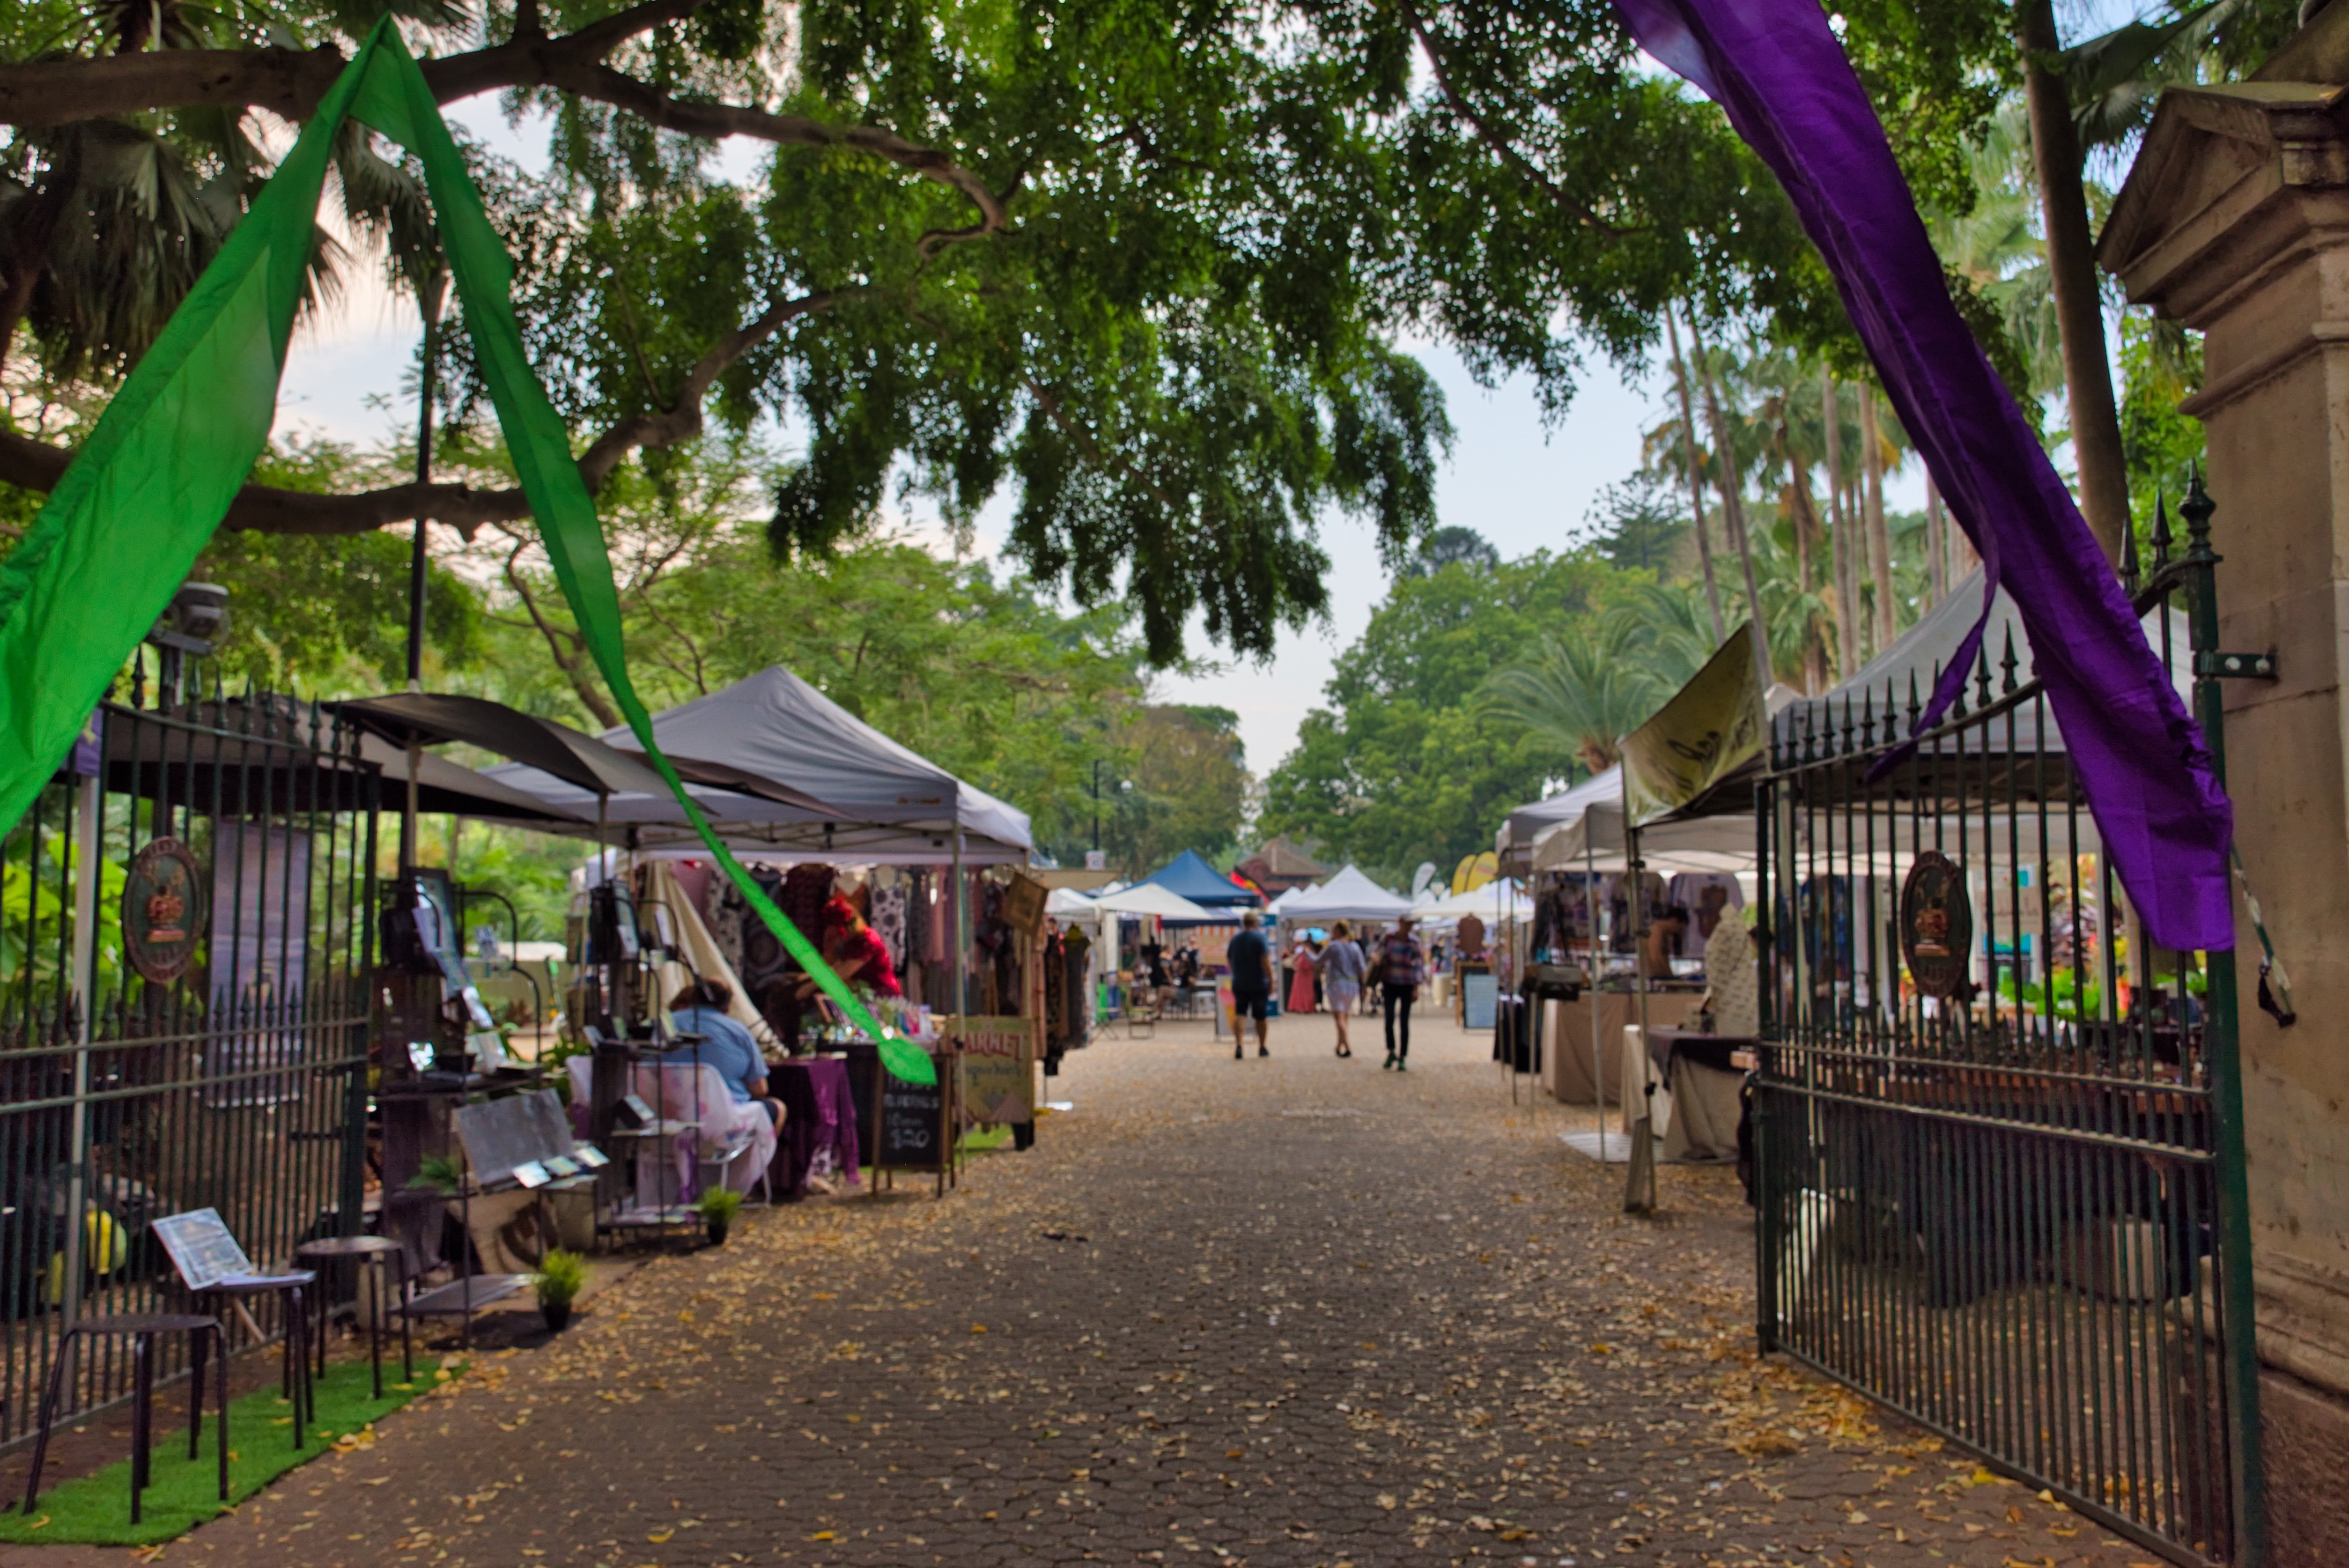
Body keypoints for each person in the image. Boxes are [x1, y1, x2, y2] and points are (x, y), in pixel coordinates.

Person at [668, 979, 784, 1131]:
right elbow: (760, 1089)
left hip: (665, 1115)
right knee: (779, 1108)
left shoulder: (663, 1024)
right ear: (727, 1007)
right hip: (722, 1124)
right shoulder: (739, 1031)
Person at [1377, 915, 1426, 1071]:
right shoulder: (1389, 938)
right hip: (1390, 983)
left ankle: (1403, 1056)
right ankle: (1391, 1050)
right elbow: (1377, 952)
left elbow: (1419, 965)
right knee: (1389, 1019)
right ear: (1400, 923)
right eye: (1406, 924)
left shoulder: (1414, 942)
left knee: (1404, 1022)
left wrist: (1416, 987)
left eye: (1410, 924)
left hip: (1407, 984)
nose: (1408, 927)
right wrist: (1377, 959)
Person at [1225, 910, 1275, 1059]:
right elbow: (1265, 961)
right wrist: (1271, 980)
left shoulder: (1235, 939)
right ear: (1255, 922)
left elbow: (1229, 961)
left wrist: (1236, 973)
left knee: (1240, 1013)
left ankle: (1239, 1045)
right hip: (1258, 983)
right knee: (1261, 1016)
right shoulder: (1260, 938)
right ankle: (1262, 1047)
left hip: (1239, 983)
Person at [1320, 920, 1366, 1058]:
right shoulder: (1355, 947)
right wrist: (1364, 986)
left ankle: (1347, 1046)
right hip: (1352, 985)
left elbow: (1318, 959)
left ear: (1339, 931)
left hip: (1336, 985)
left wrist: (1307, 953)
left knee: (1339, 1017)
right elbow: (1362, 968)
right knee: (1345, 1017)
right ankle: (1339, 1045)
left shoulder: (1334, 946)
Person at [1644, 905, 1691, 982]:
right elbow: (1656, 957)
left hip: (1661, 978)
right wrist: (1669, 979)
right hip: (1657, 979)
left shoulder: (1663, 934)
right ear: (1675, 921)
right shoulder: (1656, 931)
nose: (1678, 932)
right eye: (1680, 928)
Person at [1286, 934, 1318, 1015]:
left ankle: (1308, 1007)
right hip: (1300, 975)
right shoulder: (1300, 954)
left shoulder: (1311, 955)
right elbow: (1293, 960)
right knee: (1299, 992)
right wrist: (1295, 967)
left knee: (1308, 992)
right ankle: (1299, 1007)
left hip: (1308, 976)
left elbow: (1315, 963)